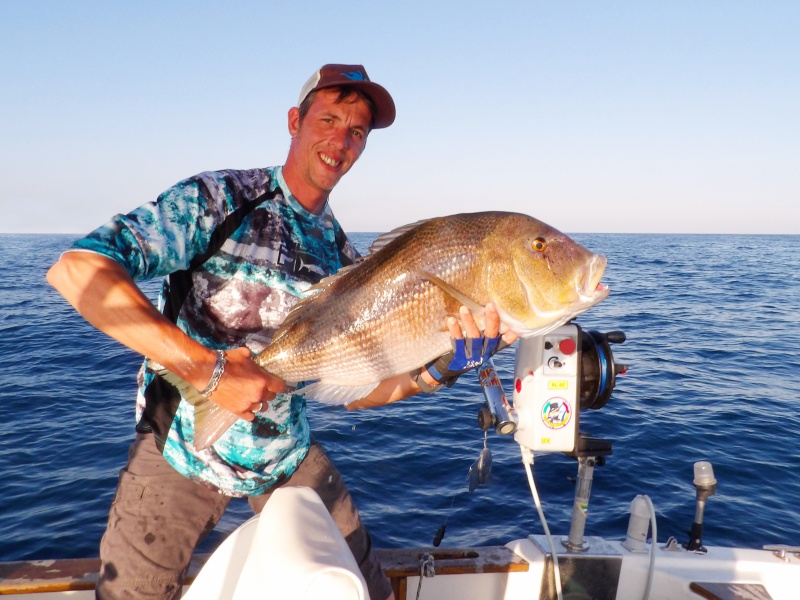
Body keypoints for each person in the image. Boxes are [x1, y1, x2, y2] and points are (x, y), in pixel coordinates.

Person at [47, 64, 515, 600]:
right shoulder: (220, 199)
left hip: (285, 453)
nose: (340, 140)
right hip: (179, 451)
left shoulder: (341, 259)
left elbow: (360, 393)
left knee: (370, 591)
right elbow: (77, 269)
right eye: (330, 119)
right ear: (295, 121)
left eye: (357, 132)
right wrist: (210, 370)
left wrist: (441, 368)